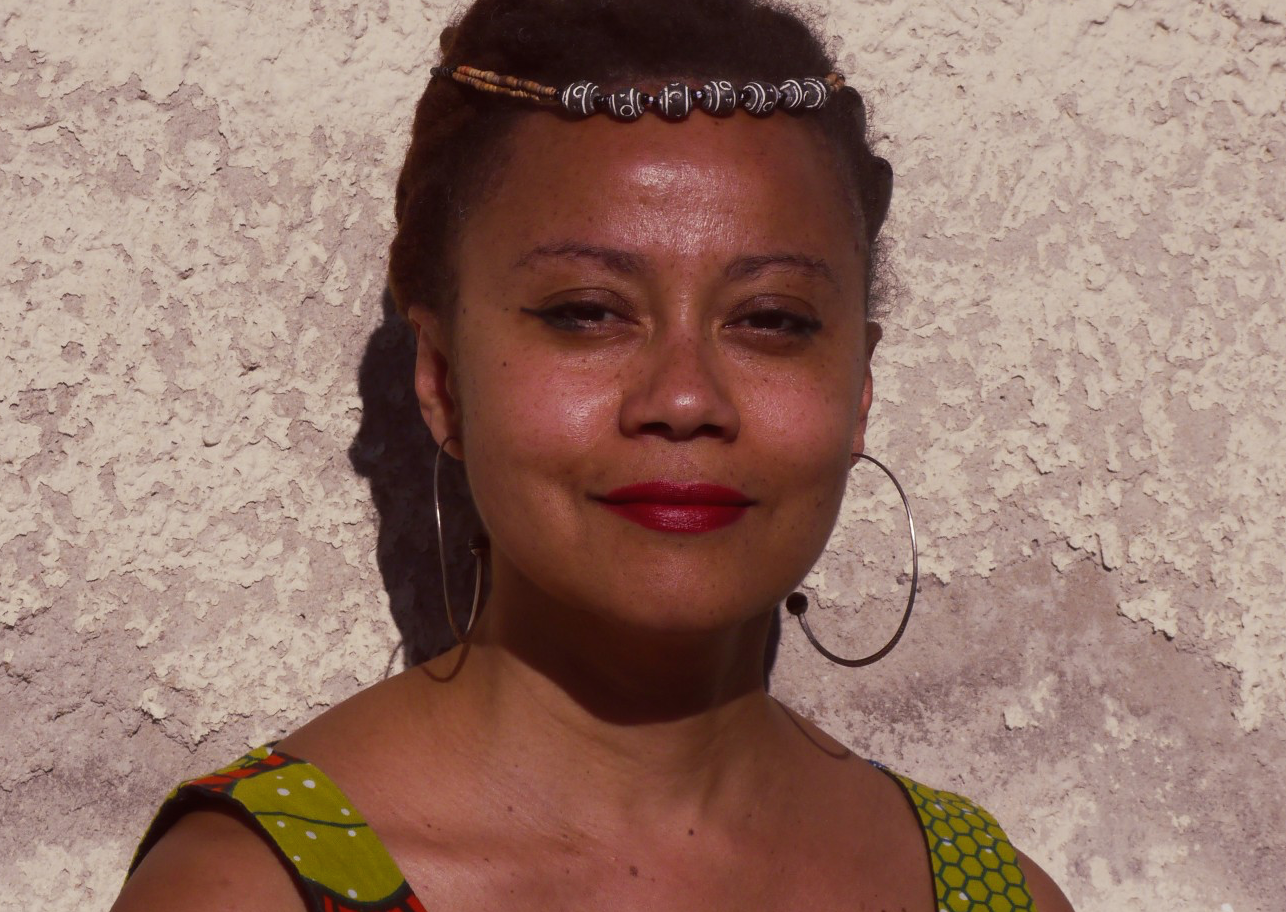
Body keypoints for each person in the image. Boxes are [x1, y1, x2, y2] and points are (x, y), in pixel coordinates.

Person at [112, 0, 1073, 909]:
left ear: (858, 388)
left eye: (771, 320)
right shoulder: (252, 889)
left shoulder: (987, 893)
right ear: (442, 380)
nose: (684, 399)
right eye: (585, 313)